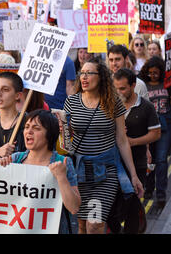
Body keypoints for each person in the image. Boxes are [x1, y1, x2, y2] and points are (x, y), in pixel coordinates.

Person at [63, 57, 143, 234]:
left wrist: (134, 175)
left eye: (89, 73)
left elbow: (122, 140)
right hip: (78, 172)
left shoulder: (113, 103)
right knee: (82, 225)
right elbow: (66, 140)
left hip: (105, 173)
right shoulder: (72, 102)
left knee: (95, 223)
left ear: (101, 77)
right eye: (81, 73)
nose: (84, 77)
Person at [0, 109, 81, 234]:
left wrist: (61, 177)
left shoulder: (63, 162)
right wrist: (1, 168)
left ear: (49, 134)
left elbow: (74, 208)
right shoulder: (15, 160)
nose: (29, 131)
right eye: (26, 127)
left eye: (36, 128)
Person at [109, 68, 160, 233]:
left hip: (137, 164)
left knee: (131, 206)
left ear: (133, 85)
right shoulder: (109, 105)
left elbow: (155, 133)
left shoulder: (146, 107)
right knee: (112, 208)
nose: (119, 92)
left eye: (122, 88)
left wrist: (132, 142)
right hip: (112, 164)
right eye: (116, 88)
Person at [138, 56, 171, 206]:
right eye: (150, 73)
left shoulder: (167, 84)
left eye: (156, 72)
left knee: (162, 160)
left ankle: (161, 193)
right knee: (148, 160)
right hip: (147, 126)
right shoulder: (143, 84)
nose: (153, 75)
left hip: (164, 124)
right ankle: (149, 187)